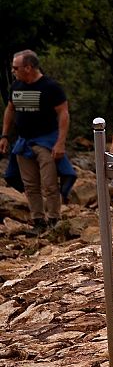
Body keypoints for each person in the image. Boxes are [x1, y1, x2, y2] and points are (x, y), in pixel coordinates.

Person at [2, 50, 70, 234]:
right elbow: (10, 109)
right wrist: (5, 135)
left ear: (28, 67)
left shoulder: (50, 87)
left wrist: (60, 142)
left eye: (16, 68)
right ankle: (38, 220)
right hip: (24, 142)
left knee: (49, 183)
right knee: (30, 185)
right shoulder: (16, 86)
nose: (13, 71)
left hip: (46, 141)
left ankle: (54, 219)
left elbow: (63, 113)